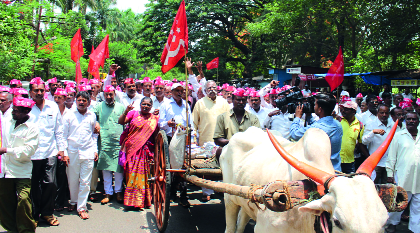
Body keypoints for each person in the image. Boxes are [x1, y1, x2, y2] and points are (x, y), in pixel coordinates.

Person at [28, 77, 65, 227]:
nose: (39, 92)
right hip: (31, 154)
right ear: (30, 92)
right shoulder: (27, 108)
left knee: (50, 183)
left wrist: (62, 149)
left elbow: (59, 130)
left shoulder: (53, 107)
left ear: (46, 91)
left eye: (42, 90)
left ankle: (47, 213)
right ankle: (34, 214)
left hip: (50, 152)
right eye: (36, 90)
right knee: (33, 185)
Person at [0, 97, 38, 233]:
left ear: (26, 112)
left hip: (22, 170)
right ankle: (11, 229)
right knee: (5, 200)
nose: (13, 112)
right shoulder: (6, 122)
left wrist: (6, 150)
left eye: (16, 111)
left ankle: (26, 229)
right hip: (5, 169)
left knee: (23, 199)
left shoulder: (32, 128)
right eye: (13, 109)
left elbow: (28, 151)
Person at [62, 91, 98, 220]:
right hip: (72, 152)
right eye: (79, 100)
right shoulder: (69, 115)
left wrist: (95, 150)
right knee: (72, 179)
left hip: (88, 151)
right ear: (76, 101)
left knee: (85, 181)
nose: (81, 102)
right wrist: (64, 153)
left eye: (84, 100)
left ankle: (82, 207)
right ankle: (73, 201)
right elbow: (63, 135)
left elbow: (94, 134)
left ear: (88, 102)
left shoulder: (92, 115)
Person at [118, 97, 159, 209]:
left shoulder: (153, 118)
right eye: (144, 104)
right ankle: (131, 200)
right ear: (140, 104)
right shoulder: (133, 113)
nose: (146, 106)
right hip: (132, 149)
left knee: (143, 175)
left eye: (148, 105)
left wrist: (155, 150)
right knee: (131, 174)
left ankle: (140, 201)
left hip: (144, 151)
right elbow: (121, 121)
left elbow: (155, 136)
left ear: (151, 107)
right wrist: (126, 111)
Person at [290, 93, 343, 171]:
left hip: (322, 174)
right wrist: (309, 116)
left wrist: (297, 117)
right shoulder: (338, 125)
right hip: (336, 170)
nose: (313, 107)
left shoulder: (317, 128)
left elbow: (294, 134)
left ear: (320, 109)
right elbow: (317, 125)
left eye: (315, 105)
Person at [386, 112, 420, 233]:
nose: (411, 121)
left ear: (418, 121)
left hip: (419, 178)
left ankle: (415, 229)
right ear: (405, 121)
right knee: (399, 203)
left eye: (414, 119)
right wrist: (390, 175)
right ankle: (392, 224)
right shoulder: (399, 136)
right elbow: (391, 158)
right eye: (409, 119)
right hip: (402, 176)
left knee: (418, 206)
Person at [93, 85, 125, 204]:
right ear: (103, 95)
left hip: (118, 143)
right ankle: (108, 193)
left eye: (110, 94)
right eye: (106, 94)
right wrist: (96, 121)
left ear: (114, 94)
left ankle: (118, 192)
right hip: (105, 142)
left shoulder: (121, 107)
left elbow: (125, 123)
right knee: (106, 169)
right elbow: (91, 116)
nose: (108, 96)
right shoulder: (98, 107)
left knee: (118, 169)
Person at [193, 80, 230, 147]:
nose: (212, 90)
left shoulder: (223, 102)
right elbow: (193, 123)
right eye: (209, 88)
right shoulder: (200, 103)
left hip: (222, 141)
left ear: (217, 89)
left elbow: (230, 121)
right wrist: (194, 139)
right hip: (205, 141)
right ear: (205, 90)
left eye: (214, 87)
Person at [362, 104, 392, 184]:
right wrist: (373, 132)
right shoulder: (371, 124)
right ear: (377, 113)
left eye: (386, 113)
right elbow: (364, 141)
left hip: (388, 163)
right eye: (382, 113)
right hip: (376, 162)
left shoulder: (392, 124)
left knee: (387, 188)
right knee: (373, 185)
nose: (384, 115)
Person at [53, 88, 71, 212]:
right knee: (53, 178)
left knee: (64, 176)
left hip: (67, 149)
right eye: (55, 97)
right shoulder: (51, 111)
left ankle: (62, 200)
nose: (57, 100)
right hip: (53, 148)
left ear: (65, 99)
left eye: (60, 97)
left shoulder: (70, 114)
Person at [339, 101, 367, 174]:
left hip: (350, 162)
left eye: (346, 109)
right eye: (343, 108)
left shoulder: (360, 125)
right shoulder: (338, 121)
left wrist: (368, 157)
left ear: (353, 112)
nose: (343, 111)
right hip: (336, 160)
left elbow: (360, 143)